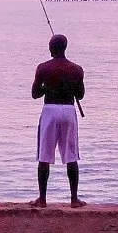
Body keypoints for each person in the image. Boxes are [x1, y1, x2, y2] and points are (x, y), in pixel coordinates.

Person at [30, 34, 86, 208]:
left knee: (44, 156)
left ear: (51, 48)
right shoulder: (77, 69)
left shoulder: (43, 68)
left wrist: (47, 86)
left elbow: (35, 94)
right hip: (69, 111)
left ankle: (42, 199)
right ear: (65, 48)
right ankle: (74, 199)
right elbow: (81, 95)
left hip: (50, 111)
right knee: (71, 156)